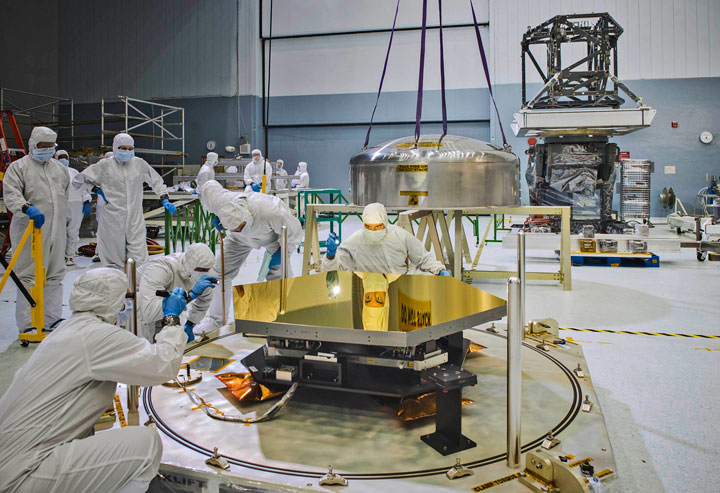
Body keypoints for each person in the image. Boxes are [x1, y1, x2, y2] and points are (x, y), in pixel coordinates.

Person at [0, 268, 189, 492]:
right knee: (147, 444)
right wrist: (171, 319)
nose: (126, 306)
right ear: (111, 302)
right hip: (25, 474)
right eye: (125, 299)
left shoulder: (67, 330)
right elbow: (163, 365)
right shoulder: (96, 335)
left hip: (12, 460)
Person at [193, 179, 303, 334]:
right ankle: (215, 320)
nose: (239, 229)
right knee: (218, 273)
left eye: (241, 227)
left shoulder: (270, 210)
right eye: (235, 228)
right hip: (237, 241)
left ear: (246, 217)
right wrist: (215, 214)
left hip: (272, 238)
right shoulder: (221, 202)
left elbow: (294, 231)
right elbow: (208, 187)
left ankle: (282, 316)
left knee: (280, 274)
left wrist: (283, 252)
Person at [72, 133, 177, 269]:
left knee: (139, 261)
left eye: (130, 148)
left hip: (135, 219)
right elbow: (78, 180)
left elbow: (156, 181)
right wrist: (96, 189)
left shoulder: (139, 164)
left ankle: (137, 289)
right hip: (112, 219)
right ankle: (117, 288)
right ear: (115, 148)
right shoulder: (105, 165)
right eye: (123, 148)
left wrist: (164, 198)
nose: (127, 151)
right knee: (113, 262)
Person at [3, 126, 69, 333]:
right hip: (29, 230)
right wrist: (26, 208)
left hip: (56, 230)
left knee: (54, 275)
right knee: (28, 276)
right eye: (43, 146)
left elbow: (63, 196)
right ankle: (28, 324)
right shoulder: (19, 168)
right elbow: (11, 194)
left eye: (51, 146)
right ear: (33, 145)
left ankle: (52, 319)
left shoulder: (59, 169)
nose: (47, 150)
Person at [323, 203, 452, 276]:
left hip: (399, 281)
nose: (373, 231)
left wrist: (439, 271)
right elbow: (333, 271)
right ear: (363, 224)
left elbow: (423, 258)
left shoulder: (400, 236)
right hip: (366, 287)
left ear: (385, 222)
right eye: (369, 227)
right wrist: (330, 256)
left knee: (428, 279)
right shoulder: (355, 241)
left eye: (378, 227)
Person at [137, 243, 217, 343]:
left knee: (168, 342)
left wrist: (190, 323)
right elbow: (149, 312)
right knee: (146, 347)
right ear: (190, 266)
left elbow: (205, 298)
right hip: (138, 306)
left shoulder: (203, 273)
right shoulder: (160, 268)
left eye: (207, 270)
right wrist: (190, 296)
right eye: (201, 269)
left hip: (160, 308)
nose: (204, 273)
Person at [56, 150, 92, 266]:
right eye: (61, 157)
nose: (63, 160)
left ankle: (69, 256)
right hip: (59, 204)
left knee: (73, 231)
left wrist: (86, 200)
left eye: (65, 157)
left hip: (76, 203)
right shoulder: (53, 171)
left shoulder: (74, 172)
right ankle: (57, 257)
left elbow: (83, 186)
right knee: (59, 232)